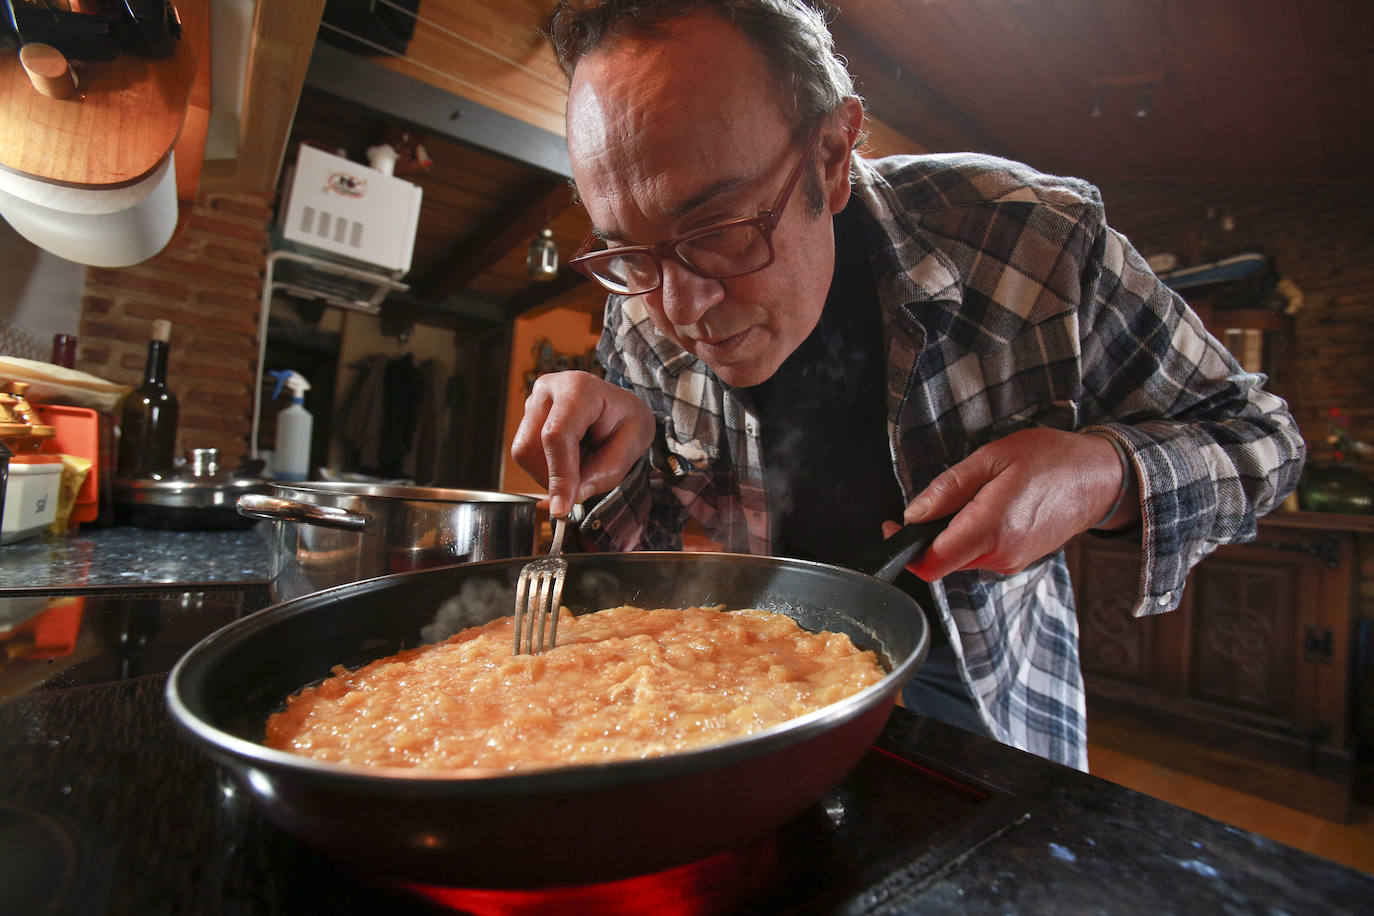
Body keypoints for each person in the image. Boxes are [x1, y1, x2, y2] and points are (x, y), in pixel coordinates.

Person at [511, 0, 1305, 770]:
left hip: (979, 703)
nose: (681, 313)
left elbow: (1261, 437)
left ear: (832, 153)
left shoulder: (1033, 240)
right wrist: (627, 451)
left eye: (717, 232)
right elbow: (652, 567)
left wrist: (1104, 475)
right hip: (738, 694)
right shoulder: (641, 305)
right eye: (630, 253)